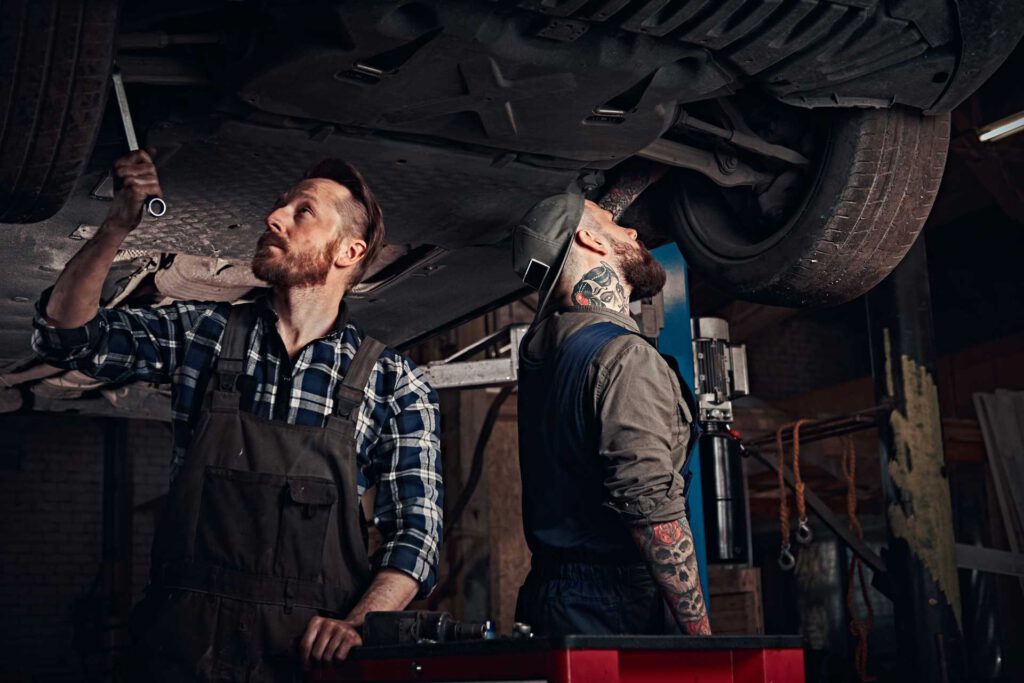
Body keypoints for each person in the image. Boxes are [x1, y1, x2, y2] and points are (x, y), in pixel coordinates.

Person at [32, 150, 444, 680]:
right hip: (180, 649)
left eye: (303, 212)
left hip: (304, 659)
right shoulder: (203, 333)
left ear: (349, 251)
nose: (274, 218)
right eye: (279, 206)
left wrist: (360, 623)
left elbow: (417, 535)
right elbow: (67, 339)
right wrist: (117, 226)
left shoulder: (394, 384)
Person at [511, 193, 711, 637]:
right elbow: (650, 506)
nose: (633, 231)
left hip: (550, 596)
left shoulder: (544, 349)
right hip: (611, 605)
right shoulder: (623, 357)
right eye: (615, 224)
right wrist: (701, 638)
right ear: (589, 240)